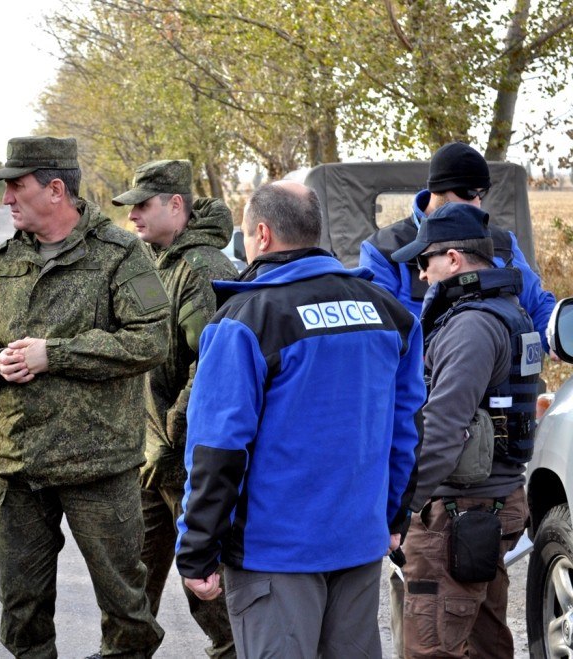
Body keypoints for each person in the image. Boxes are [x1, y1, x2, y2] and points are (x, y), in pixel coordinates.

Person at [175, 181, 424, 658]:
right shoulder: (389, 313)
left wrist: (197, 548)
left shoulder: (246, 320)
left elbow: (218, 446)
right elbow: (407, 426)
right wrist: (395, 512)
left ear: (262, 235)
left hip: (275, 553)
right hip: (357, 543)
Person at [0, 136, 169, 658]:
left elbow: (150, 340)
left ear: (55, 189)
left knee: (126, 607)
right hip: (19, 463)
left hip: (98, 464)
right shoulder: (6, 260)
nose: (6, 199)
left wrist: (57, 354)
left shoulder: (120, 254)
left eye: (16, 186)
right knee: (21, 609)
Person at [390, 202, 538, 658]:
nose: (421, 276)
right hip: (492, 506)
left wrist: (400, 509)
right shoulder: (510, 313)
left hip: (458, 514)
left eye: (424, 262)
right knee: (486, 642)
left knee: (431, 648)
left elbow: (441, 429)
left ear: (452, 259)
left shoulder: (471, 326)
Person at [111, 159, 237, 658]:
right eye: (130, 207)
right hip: (150, 456)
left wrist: (174, 434)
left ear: (176, 205)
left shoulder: (203, 268)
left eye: (142, 206)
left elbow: (212, 366)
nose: (133, 217)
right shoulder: (150, 261)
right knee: (129, 579)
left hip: (187, 460)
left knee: (207, 587)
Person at [360, 141, 554, 348]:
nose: (476, 203)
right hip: (427, 373)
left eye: (481, 194)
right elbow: (376, 331)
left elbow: (537, 304)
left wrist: (557, 338)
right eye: (468, 193)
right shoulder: (384, 249)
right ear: (437, 189)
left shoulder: (503, 242)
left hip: (501, 369)